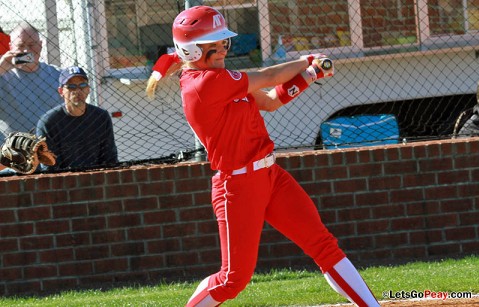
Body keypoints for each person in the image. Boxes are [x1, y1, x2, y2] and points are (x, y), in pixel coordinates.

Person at [146, 6, 379, 307]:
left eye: (223, 43)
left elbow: (270, 101)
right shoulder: (206, 84)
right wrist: (306, 61)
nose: (222, 50)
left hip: (270, 176)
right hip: (238, 187)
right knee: (233, 279)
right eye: (213, 46)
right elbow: (270, 75)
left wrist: (310, 74)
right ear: (191, 51)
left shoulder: (218, 75)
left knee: (324, 246)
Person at [36, 66, 118, 170]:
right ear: (61, 91)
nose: (78, 90)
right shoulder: (48, 122)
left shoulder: (101, 117)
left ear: (88, 89)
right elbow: (49, 166)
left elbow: (109, 158)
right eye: (71, 87)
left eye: (83, 85)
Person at [0, 22, 62, 144]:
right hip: (13, 153)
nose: (26, 50)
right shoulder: (3, 76)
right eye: (20, 45)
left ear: (40, 45)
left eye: (32, 44)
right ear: (10, 46)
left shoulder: (58, 75)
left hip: (51, 150)